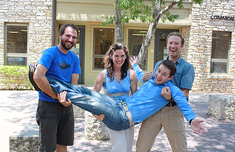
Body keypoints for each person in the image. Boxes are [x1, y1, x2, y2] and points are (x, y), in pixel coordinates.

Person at [46, 60, 205, 136]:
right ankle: (50, 80)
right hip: (118, 105)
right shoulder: (151, 79)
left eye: (164, 74)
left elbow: (183, 103)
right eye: (159, 71)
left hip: (122, 118)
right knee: (87, 92)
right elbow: (141, 74)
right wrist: (134, 64)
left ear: (170, 78)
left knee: (87, 100)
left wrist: (191, 120)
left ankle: (49, 86)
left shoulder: (171, 89)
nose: (159, 76)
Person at [134, 32, 195, 152]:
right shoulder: (159, 64)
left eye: (176, 43)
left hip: (173, 111)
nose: (173, 45)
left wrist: (169, 98)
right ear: (167, 45)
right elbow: (154, 83)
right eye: (170, 43)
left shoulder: (187, 67)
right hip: (154, 109)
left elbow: (184, 94)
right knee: (141, 147)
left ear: (181, 46)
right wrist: (144, 79)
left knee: (180, 149)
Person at [33, 23, 81, 152]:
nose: (71, 40)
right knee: (46, 148)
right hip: (48, 106)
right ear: (60, 35)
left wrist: (68, 100)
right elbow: (38, 76)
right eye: (68, 35)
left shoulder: (75, 59)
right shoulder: (50, 53)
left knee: (63, 144)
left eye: (74, 37)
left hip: (66, 107)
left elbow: (73, 85)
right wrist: (55, 96)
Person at [92, 43, 138, 152]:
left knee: (128, 147)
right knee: (119, 147)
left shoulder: (131, 74)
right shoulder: (102, 75)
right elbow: (93, 97)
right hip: (111, 114)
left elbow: (136, 97)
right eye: (116, 56)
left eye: (122, 56)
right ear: (111, 56)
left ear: (126, 57)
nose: (119, 59)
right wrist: (95, 113)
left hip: (128, 114)